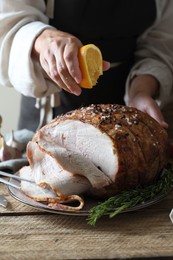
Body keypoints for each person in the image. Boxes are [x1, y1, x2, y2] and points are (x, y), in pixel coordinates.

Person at [0, 0, 173, 132]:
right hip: (50, 107)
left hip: (124, 108)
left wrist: (140, 91)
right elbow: (8, 24)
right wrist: (44, 40)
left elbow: (159, 44)